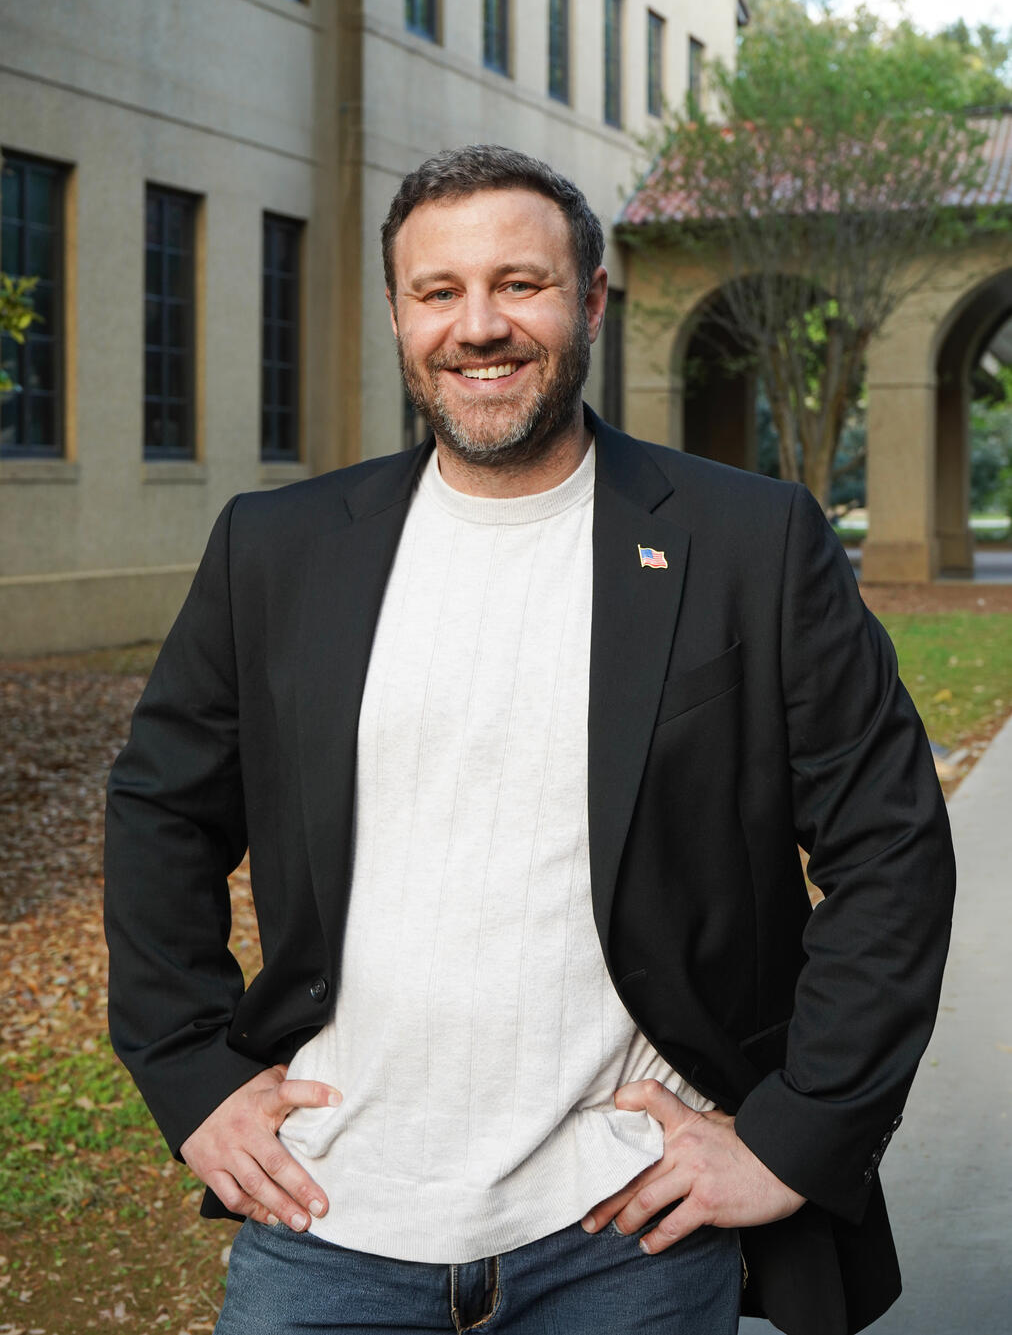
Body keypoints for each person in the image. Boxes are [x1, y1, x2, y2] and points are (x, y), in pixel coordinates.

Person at [105, 145, 954, 1335]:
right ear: (399, 313)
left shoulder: (749, 542)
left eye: (522, 282)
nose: (480, 325)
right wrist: (192, 1074)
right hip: (327, 1226)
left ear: (592, 299)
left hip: (627, 1238)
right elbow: (161, 810)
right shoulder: (278, 550)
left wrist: (800, 1132)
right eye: (439, 290)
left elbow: (890, 842)